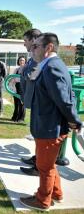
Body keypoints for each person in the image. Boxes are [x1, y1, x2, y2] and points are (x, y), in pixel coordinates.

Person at [19, 33, 82, 211]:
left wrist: (75, 122)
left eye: (36, 46)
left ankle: (42, 201)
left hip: (50, 127)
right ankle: (56, 193)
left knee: (44, 166)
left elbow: (64, 100)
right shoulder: (48, 65)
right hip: (48, 125)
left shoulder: (52, 67)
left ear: (49, 48)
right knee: (49, 164)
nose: (32, 48)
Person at [19, 29, 42, 176]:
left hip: (38, 101)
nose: (24, 43)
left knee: (39, 134)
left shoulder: (38, 57)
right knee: (36, 133)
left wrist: (23, 72)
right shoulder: (33, 56)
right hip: (32, 100)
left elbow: (33, 73)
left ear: (33, 40)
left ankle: (39, 165)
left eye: (25, 40)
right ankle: (37, 159)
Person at [11, 56, 26, 122]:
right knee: (16, 103)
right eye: (20, 60)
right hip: (16, 87)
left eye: (23, 60)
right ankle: (15, 117)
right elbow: (12, 78)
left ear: (25, 61)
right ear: (18, 61)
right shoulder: (16, 69)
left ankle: (21, 118)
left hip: (23, 87)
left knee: (22, 103)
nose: (21, 61)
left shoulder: (26, 69)